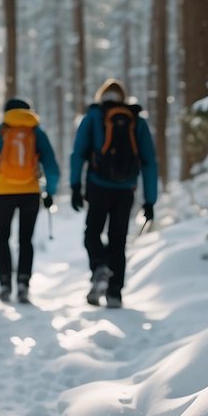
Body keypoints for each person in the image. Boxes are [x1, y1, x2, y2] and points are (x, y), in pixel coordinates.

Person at [68, 77, 158, 308]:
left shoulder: (93, 117)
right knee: (118, 240)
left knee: (92, 233)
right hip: (126, 189)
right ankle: (114, 292)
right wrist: (150, 200)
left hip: (98, 186)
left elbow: (78, 153)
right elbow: (149, 161)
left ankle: (99, 267)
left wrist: (76, 186)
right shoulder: (136, 119)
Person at [0, 98, 60, 303]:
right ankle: (23, 285)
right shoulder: (36, 132)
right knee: (25, 240)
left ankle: (5, 284)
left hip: (2, 192)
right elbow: (52, 166)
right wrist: (50, 191)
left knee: (2, 239)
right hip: (30, 192)